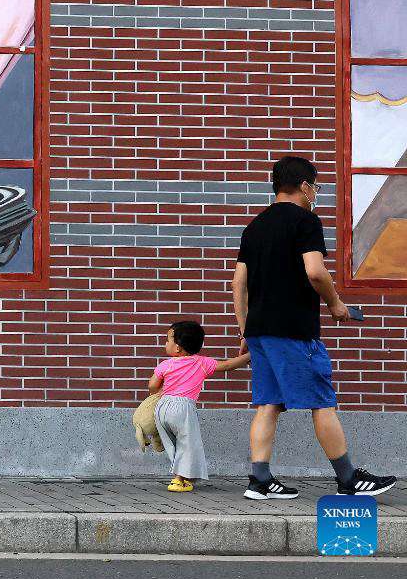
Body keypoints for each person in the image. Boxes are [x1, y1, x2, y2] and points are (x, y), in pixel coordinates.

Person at [233, 156, 396, 499]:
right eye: (316, 187)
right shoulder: (305, 221)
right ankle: (348, 479)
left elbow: (239, 283)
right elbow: (315, 271)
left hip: (260, 331)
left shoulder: (254, 227)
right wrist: (336, 304)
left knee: (268, 403)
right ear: (305, 186)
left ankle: (260, 480)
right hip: (293, 330)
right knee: (322, 401)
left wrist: (245, 330)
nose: (317, 193)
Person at [149, 321, 250, 492]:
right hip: (183, 408)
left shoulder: (165, 364)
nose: (165, 343)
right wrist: (250, 355)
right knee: (187, 444)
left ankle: (181, 475)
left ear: (178, 348)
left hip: (163, 406)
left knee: (172, 444)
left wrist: (160, 390)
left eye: (167, 340)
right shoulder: (201, 363)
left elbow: (152, 386)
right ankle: (179, 479)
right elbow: (227, 365)